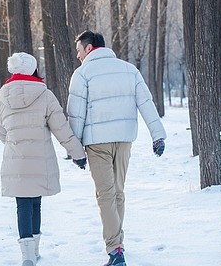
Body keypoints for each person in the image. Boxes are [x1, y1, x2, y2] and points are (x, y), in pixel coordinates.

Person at [67, 31, 167, 266]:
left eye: (79, 51)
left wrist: (76, 151)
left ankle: (115, 250)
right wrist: (158, 136)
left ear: (89, 48)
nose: (78, 56)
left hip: (97, 142)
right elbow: (146, 102)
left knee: (106, 195)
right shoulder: (128, 69)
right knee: (117, 193)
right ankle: (118, 244)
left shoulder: (82, 74)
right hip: (123, 140)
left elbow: (76, 114)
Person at [0, 52, 86, 266]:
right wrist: (78, 154)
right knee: (35, 202)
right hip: (40, 158)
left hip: (15, 159)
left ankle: (27, 255)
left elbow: (1, 132)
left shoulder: (2, 96)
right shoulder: (44, 94)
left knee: (23, 204)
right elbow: (61, 128)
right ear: (33, 69)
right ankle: (34, 251)